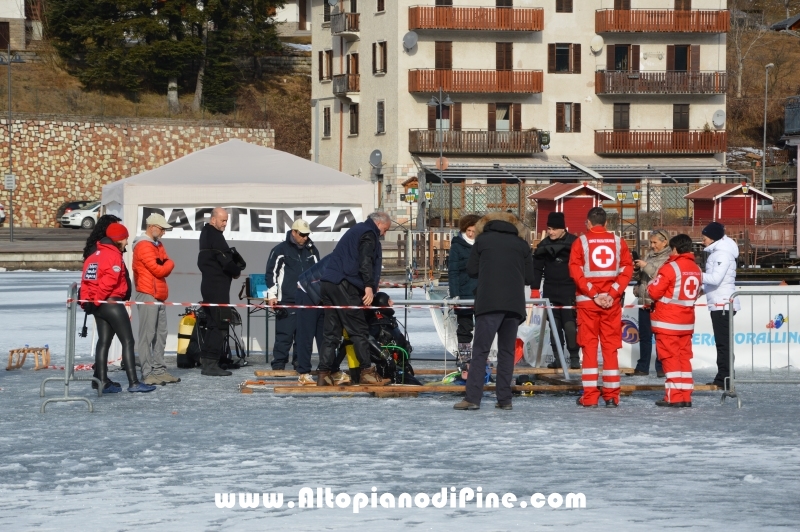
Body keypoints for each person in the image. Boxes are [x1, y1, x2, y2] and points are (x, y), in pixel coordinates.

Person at [453, 212, 535, 411]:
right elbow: (530, 276)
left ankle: (472, 398)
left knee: (480, 351)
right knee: (506, 353)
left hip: (489, 303)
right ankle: (505, 399)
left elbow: (472, 270)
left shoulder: (482, 241)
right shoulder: (521, 244)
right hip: (514, 305)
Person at [316, 211, 392, 386]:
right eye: (385, 229)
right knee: (358, 330)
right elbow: (365, 260)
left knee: (331, 332)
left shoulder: (356, 230)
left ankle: (323, 374)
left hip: (329, 282)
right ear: (379, 224)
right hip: (345, 284)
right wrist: (368, 285)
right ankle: (367, 372)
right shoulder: (368, 233)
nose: (384, 234)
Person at [80, 222, 156, 393]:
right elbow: (110, 282)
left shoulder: (93, 256)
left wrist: (89, 302)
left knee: (103, 342)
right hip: (111, 303)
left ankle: (101, 382)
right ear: (119, 239)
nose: (127, 242)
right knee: (128, 341)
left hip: (98, 306)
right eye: (126, 239)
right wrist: (99, 299)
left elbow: (85, 281)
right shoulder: (113, 256)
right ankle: (134, 382)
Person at [569, 207, 633, 408]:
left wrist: (594, 294)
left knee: (589, 348)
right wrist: (612, 293)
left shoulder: (581, 242)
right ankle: (612, 396)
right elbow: (627, 269)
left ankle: (589, 397)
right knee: (610, 348)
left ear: (588, 223)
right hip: (611, 304)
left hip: (588, 303)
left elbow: (575, 271)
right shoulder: (618, 242)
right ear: (606, 223)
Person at [647, 234, 702, 408]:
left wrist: (650, 285)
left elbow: (653, 292)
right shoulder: (696, 268)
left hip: (667, 321)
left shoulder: (671, 268)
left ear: (675, 249)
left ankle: (674, 396)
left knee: (670, 359)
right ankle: (686, 396)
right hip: (686, 322)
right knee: (684, 358)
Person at [132, 213, 180, 386]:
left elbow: (162, 264)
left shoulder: (157, 244)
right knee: (147, 334)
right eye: (161, 229)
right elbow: (159, 270)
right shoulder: (144, 246)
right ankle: (147, 372)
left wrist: (165, 263)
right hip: (147, 293)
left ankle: (159, 370)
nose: (163, 233)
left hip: (158, 294)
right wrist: (170, 263)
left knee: (161, 333)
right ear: (152, 227)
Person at [265, 219, 320, 370]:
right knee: (284, 335)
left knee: (303, 336)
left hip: (307, 300)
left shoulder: (312, 250)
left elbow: (318, 273)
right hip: (286, 299)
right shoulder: (280, 250)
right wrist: (272, 295)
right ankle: (278, 365)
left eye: (307, 234)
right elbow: (271, 274)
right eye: (302, 234)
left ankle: (299, 364)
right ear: (294, 232)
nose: (305, 237)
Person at [197, 207, 244, 377]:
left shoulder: (207, 234)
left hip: (211, 286)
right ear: (213, 219)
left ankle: (210, 360)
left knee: (212, 324)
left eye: (226, 220)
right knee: (219, 324)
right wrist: (237, 269)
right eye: (222, 220)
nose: (225, 224)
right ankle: (211, 363)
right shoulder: (214, 235)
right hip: (216, 287)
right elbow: (226, 261)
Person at [532, 211, 580, 370]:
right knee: (554, 325)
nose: (550, 232)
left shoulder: (575, 242)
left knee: (569, 325)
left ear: (562, 228)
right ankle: (558, 358)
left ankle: (574, 358)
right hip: (551, 289)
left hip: (569, 289)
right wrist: (534, 288)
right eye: (549, 228)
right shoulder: (544, 244)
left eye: (553, 229)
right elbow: (537, 268)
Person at [294, 255, 351, 386]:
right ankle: (303, 373)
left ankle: (331, 370)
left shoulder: (353, 257)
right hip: (307, 291)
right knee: (306, 335)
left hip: (323, 295)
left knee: (326, 335)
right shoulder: (347, 256)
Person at [700, 221, 740, 389]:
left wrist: (695, 273)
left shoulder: (722, 254)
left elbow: (715, 279)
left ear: (713, 238)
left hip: (723, 304)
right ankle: (724, 376)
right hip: (718, 302)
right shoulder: (716, 253)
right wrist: (700, 290)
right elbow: (712, 281)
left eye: (705, 237)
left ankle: (724, 378)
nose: (703, 241)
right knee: (722, 342)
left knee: (723, 343)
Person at [632, 228, 671, 377]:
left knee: (660, 337)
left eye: (655, 242)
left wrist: (644, 266)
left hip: (658, 302)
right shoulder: (649, 255)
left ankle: (661, 367)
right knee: (644, 336)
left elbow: (659, 274)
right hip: (644, 301)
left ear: (664, 242)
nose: (652, 245)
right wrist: (636, 270)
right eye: (651, 242)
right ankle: (643, 367)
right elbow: (641, 276)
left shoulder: (669, 257)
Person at [447, 213, 480, 373]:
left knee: (483, 328)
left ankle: (480, 359)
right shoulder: (457, 245)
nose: (471, 234)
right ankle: (465, 359)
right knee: (465, 328)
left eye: (474, 230)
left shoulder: (482, 244)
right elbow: (453, 271)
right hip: (464, 293)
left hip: (481, 293)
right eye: (469, 230)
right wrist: (455, 294)